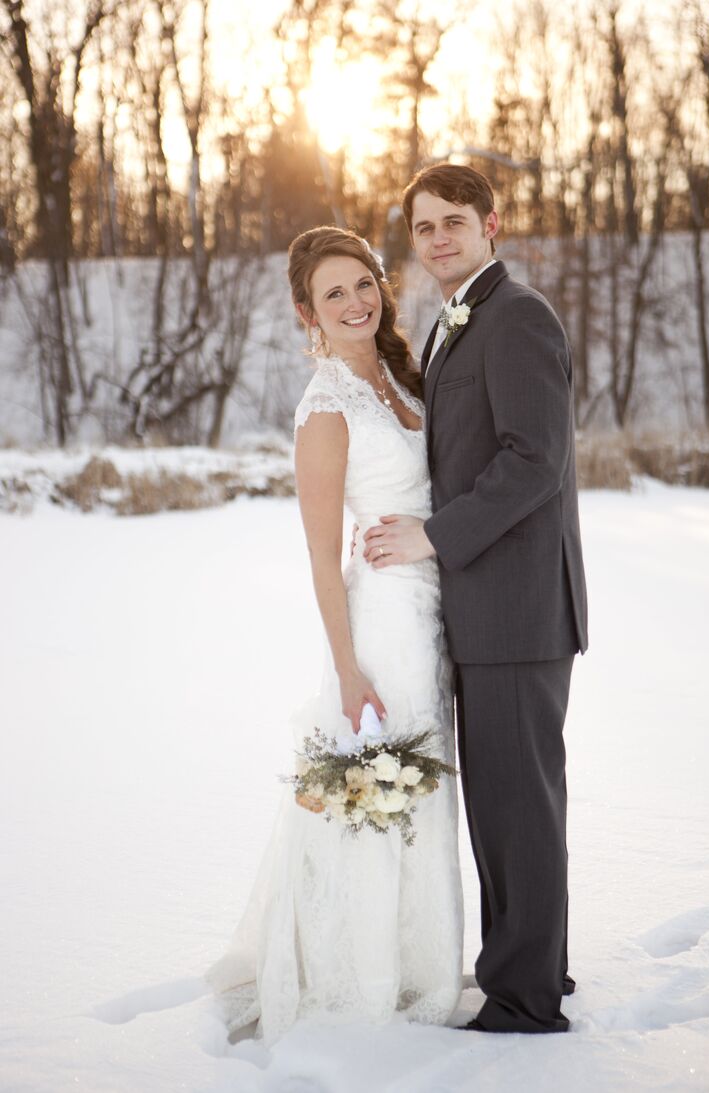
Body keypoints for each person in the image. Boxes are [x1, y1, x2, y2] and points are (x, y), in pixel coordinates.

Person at [205, 226, 463, 1044]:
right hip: (379, 621)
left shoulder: (400, 375)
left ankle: (421, 953)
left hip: (434, 609)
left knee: (428, 794)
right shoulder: (324, 408)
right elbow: (320, 560)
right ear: (305, 311)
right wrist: (347, 672)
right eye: (333, 294)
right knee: (379, 790)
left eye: (363, 284)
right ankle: (360, 970)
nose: (355, 303)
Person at [363, 163, 588, 1034]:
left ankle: (525, 999)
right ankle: (533, 966)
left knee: (514, 804)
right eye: (422, 227)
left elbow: (534, 461)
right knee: (506, 804)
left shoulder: (518, 315)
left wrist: (432, 535)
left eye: (453, 221)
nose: (437, 239)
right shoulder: (454, 320)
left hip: (520, 609)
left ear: (492, 225)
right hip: (484, 608)